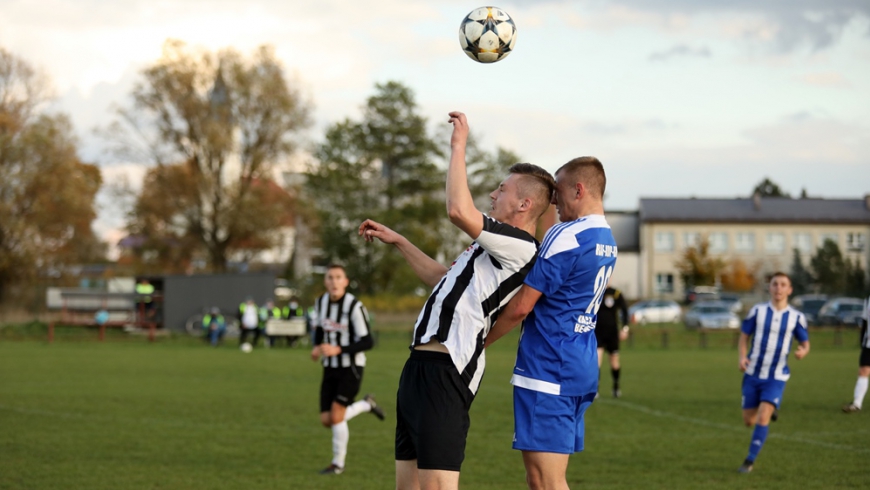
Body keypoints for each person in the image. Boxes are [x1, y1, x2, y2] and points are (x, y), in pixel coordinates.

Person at [359, 111, 555, 490]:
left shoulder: (520, 246)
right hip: (418, 366)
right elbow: (441, 279)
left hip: (446, 372)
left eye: (502, 189)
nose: (494, 194)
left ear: (524, 205)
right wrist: (399, 241)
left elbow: (458, 211)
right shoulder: (486, 248)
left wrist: (458, 145)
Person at [485, 156, 616, 490]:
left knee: (546, 483)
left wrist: (477, 344)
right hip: (579, 366)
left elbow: (521, 308)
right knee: (548, 479)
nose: (552, 201)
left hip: (548, 369)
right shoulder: (606, 238)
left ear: (579, 189)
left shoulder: (567, 234)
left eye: (557, 192)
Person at [311, 264, 385, 475]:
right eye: (330, 278)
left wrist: (339, 349)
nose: (334, 281)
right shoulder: (320, 302)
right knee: (326, 420)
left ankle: (337, 464)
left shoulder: (354, 306)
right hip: (329, 367)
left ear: (345, 281)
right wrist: (317, 347)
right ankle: (365, 405)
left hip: (351, 367)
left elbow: (368, 341)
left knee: (336, 416)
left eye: (338, 277)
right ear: (325, 282)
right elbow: (319, 329)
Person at [736, 272, 810, 473]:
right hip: (752, 374)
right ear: (770, 288)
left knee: (762, 417)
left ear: (789, 290)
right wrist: (742, 357)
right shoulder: (757, 311)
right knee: (748, 421)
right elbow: (743, 337)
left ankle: (749, 461)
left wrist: (803, 351)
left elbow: (805, 343)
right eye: (775, 284)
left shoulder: (796, 317)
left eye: (783, 284)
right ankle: (770, 408)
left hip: (776, 376)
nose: (778, 288)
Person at [595, 283, 629, 398]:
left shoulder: (616, 293)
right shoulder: (595, 291)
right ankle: (595, 389)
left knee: (614, 362)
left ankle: (616, 387)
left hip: (612, 332)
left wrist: (625, 328)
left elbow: (624, 310)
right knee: (596, 362)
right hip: (597, 331)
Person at [842, 296, 870, 413]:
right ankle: (857, 403)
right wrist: (862, 339)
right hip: (869, 343)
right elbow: (865, 320)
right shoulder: (868, 300)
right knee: (863, 371)